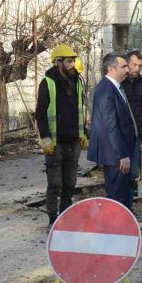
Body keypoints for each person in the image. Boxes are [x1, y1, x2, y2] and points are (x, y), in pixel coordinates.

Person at [35, 43, 88, 230]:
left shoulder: (78, 82)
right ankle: (52, 220)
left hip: (73, 142)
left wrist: (83, 134)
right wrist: (46, 138)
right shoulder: (48, 83)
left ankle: (65, 218)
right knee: (55, 185)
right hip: (55, 144)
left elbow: (79, 112)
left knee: (70, 184)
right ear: (58, 62)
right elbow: (40, 114)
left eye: (73, 60)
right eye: (69, 61)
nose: (73, 64)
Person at [87, 53, 139, 211]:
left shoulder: (116, 87)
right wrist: (122, 154)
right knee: (117, 197)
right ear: (111, 69)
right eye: (123, 67)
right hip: (115, 155)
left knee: (125, 193)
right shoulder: (105, 90)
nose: (128, 70)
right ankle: (117, 230)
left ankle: (126, 225)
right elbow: (111, 125)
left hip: (123, 151)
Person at [121, 50, 142, 182]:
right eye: (134, 65)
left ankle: (129, 201)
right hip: (121, 135)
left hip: (137, 134)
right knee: (120, 173)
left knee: (132, 173)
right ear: (127, 64)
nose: (137, 68)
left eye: (140, 66)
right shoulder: (119, 83)